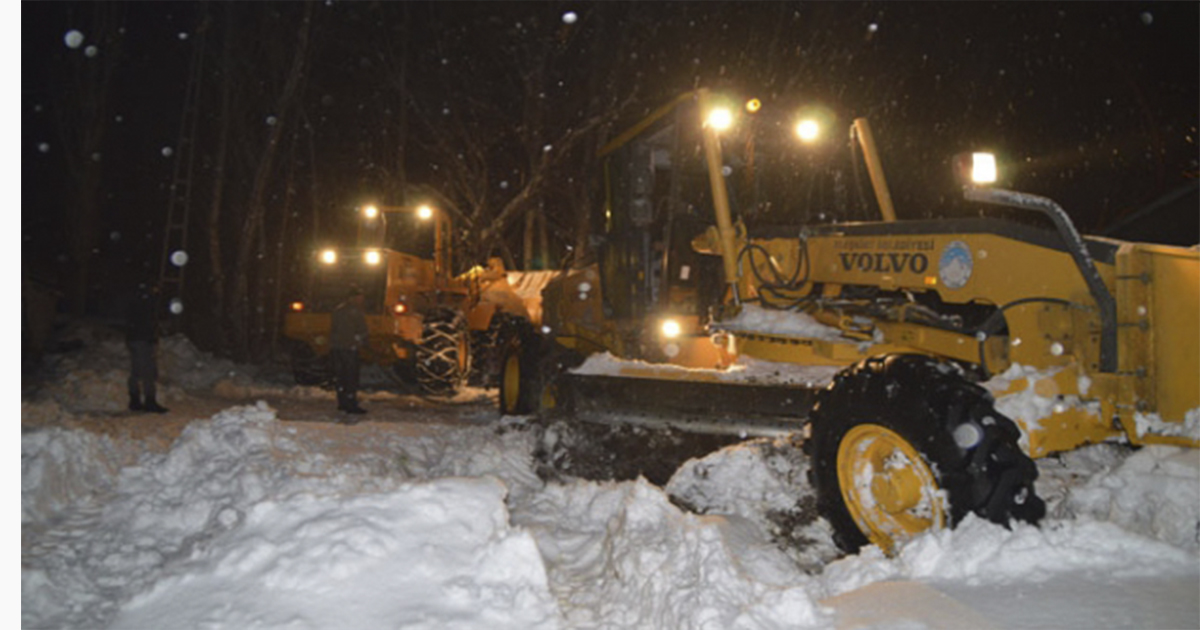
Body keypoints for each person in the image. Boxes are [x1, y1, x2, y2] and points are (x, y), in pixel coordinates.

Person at [126, 282, 169, 413]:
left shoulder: (135, 300)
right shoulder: (145, 302)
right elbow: (149, 319)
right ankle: (149, 401)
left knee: (137, 369)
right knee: (147, 370)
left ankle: (135, 399)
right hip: (142, 339)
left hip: (135, 337)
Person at [330, 284, 369, 416]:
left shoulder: (338, 310)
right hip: (349, 348)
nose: (361, 299)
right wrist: (362, 341)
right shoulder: (355, 312)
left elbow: (334, 329)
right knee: (351, 377)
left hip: (338, 347)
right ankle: (351, 404)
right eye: (359, 297)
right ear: (353, 298)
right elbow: (361, 329)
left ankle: (342, 402)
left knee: (341, 377)